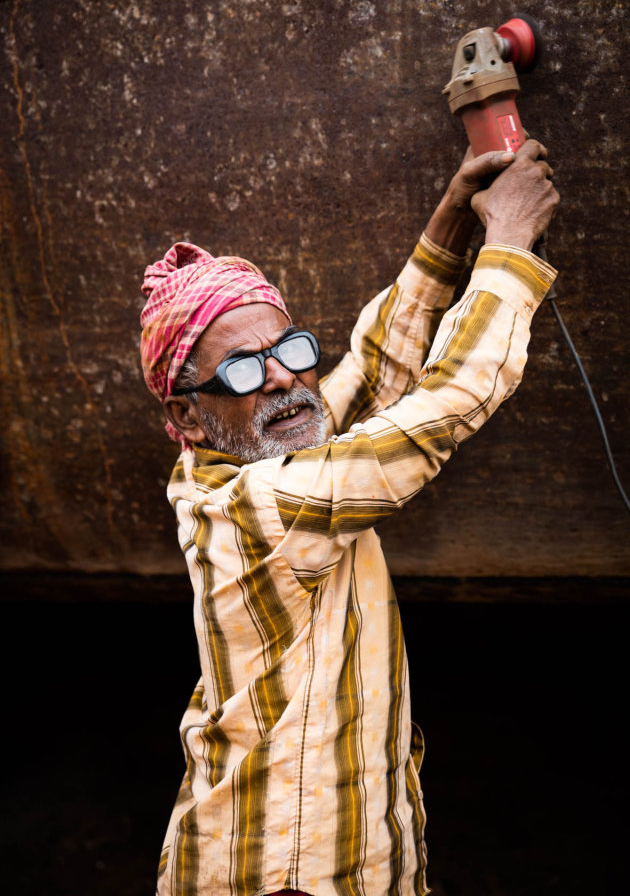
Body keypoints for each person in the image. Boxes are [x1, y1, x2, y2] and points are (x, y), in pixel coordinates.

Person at [139, 140, 559, 896]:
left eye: (291, 349)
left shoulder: (256, 449)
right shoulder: (258, 506)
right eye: (243, 367)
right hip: (285, 875)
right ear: (188, 414)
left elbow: (372, 367)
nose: (285, 378)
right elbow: (438, 411)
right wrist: (508, 250)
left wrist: (452, 220)